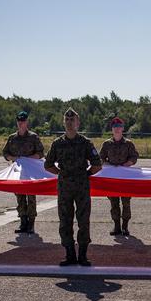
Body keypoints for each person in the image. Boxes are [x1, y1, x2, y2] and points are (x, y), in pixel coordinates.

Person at [44, 108, 102, 266]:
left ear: (78, 123)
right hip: (64, 187)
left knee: (83, 220)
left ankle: (82, 255)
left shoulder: (85, 143)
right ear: (64, 122)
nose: (69, 123)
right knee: (65, 220)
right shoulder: (57, 144)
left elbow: (97, 164)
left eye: (72, 120)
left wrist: (85, 174)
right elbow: (48, 165)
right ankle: (70, 254)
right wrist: (62, 173)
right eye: (67, 120)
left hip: (82, 187)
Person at [2, 110, 44, 234]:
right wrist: (13, 158)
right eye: (19, 121)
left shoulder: (33, 137)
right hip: (17, 172)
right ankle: (23, 222)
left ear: (27, 122)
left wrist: (29, 159)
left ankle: (31, 223)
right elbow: (5, 153)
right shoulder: (12, 138)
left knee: (31, 197)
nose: (21, 123)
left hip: (30, 173)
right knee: (20, 197)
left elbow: (41, 153)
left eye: (23, 121)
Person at [99, 117, 139, 236]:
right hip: (112, 178)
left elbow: (134, 157)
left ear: (122, 129)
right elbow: (101, 158)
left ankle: (125, 227)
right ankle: (116, 227)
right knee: (114, 203)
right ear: (112, 129)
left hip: (125, 178)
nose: (117, 129)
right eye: (115, 127)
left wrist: (129, 163)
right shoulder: (106, 144)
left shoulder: (128, 144)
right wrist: (106, 164)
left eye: (119, 127)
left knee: (126, 202)